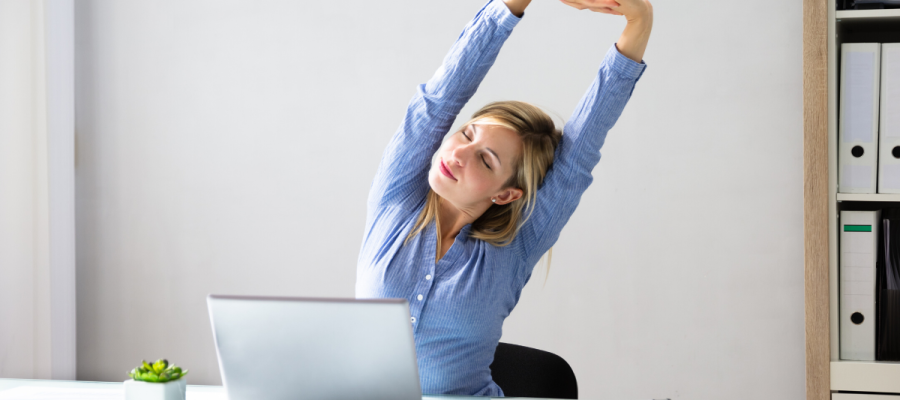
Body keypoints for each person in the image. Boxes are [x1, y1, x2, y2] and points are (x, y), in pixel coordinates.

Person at [356, 0, 652, 396]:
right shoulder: (397, 200)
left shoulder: (514, 249)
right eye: (467, 135)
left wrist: (639, 20)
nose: (457, 154)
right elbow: (439, 99)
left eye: (485, 159)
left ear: (507, 194)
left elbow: (579, 153)